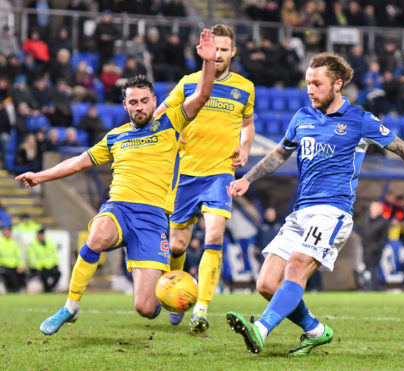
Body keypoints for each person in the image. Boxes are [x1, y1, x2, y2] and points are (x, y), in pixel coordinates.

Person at [225, 52, 404, 356]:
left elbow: (401, 147)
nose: (310, 89)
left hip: (333, 211)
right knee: (267, 284)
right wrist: (248, 179)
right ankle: (316, 330)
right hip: (300, 212)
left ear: (337, 84)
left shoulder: (359, 119)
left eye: (316, 84)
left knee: (295, 268)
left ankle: (261, 329)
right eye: (307, 83)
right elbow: (279, 155)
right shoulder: (302, 117)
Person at [15, 29, 217, 336]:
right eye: (133, 102)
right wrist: (39, 176)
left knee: (145, 308)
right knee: (97, 234)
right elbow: (78, 162)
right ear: (125, 106)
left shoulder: (171, 123)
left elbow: (201, 95)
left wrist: (208, 62)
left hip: (152, 219)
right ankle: (70, 307)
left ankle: (170, 293)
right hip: (119, 208)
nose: (139, 107)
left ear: (154, 101)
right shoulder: (116, 137)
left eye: (144, 101)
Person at [153, 24, 255, 333]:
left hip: (220, 173)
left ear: (233, 52)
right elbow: (160, 115)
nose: (220, 54)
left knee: (214, 236)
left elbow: (247, 124)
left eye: (225, 50)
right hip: (185, 175)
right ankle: (175, 296)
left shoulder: (244, 88)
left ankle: (201, 308)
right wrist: (172, 133)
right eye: (216, 49)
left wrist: (246, 146)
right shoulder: (188, 83)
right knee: (177, 245)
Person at [27, 228, 61, 292]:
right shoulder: (33, 245)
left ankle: (49, 289)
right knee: (44, 274)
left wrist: (55, 265)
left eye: (42, 235)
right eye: (39, 235)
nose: (41, 236)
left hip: (50, 266)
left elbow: (54, 255)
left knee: (58, 274)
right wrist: (38, 267)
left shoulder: (50, 243)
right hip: (40, 267)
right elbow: (32, 259)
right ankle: (47, 290)